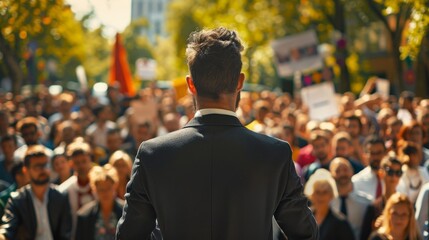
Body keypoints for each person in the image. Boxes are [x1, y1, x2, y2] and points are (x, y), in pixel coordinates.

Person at [116, 27, 318, 240]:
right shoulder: (275, 153)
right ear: (240, 82)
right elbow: (305, 234)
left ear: (190, 85)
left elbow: (129, 235)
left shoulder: (153, 154)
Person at [0, 145, 72, 240]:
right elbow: (7, 230)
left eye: (45, 165)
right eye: (37, 167)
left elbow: (65, 234)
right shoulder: (18, 200)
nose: (43, 170)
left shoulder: (60, 196)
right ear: (26, 170)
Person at [304, 169, 355, 240]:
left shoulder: (340, 222)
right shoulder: (304, 218)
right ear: (311, 194)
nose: (320, 197)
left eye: (325, 192)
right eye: (317, 192)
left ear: (331, 195)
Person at [361, 154, 403, 240]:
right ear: (381, 173)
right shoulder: (373, 208)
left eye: (398, 173)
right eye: (390, 172)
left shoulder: (406, 206)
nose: (394, 176)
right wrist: (377, 231)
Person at [75, 165, 124, 240]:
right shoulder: (84, 215)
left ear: (115, 186)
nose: (105, 193)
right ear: (95, 190)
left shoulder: (127, 211)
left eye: (108, 188)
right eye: (101, 189)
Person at [329, 157, 371, 240]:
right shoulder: (327, 203)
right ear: (331, 174)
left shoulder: (366, 203)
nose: (342, 174)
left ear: (352, 171)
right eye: (337, 171)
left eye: (345, 170)